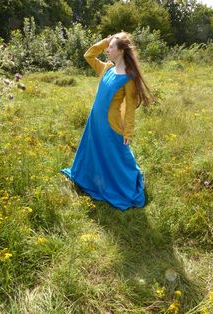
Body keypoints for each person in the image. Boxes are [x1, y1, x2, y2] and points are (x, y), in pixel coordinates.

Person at [60, 32, 153, 210]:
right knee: (95, 151)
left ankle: (127, 182)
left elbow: (131, 108)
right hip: (94, 121)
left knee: (117, 157)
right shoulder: (107, 68)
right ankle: (92, 180)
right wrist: (106, 41)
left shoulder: (129, 77)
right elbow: (88, 55)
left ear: (120, 51)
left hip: (111, 125)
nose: (107, 50)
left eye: (111, 47)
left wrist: (128, 131)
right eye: (108, 46)